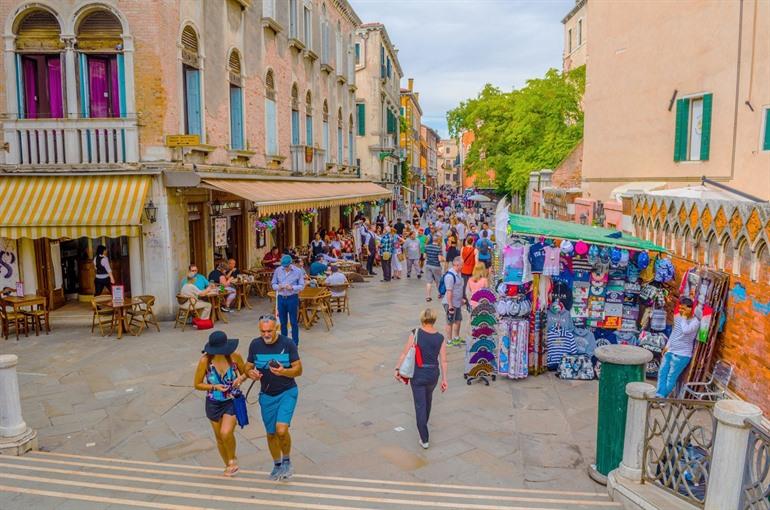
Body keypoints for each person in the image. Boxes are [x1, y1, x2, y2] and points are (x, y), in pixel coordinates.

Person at [245, 315, 303, 481]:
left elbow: (299, 370)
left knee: (281, 430)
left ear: (276, 328)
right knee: (271, 434)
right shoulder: (255, 344)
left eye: (269, 330)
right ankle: (277, 464)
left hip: (287, 392)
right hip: (266, 395)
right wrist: (251, 373)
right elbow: (247, 366)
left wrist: (284, 371)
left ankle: (287, 461)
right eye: (263, 331)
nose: (266, 334)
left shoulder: (288, 343)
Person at [194, 330, 249, 476]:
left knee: (226, 433)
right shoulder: (205, 361)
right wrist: (214, 386)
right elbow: (197, 384)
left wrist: (240, 379)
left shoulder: (234, 357)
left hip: (231, 400)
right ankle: (228, 464)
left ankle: (232, 460)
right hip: (213, 402)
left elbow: (246, 372)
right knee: (219, 437)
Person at [394, 308, 448, 449]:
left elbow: (405, 353)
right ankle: (424, 424)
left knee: (420, 404)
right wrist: (444, 379)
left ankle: (424, 438)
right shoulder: (440, 337)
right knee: (428, 399)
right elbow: (443, 361)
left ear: (422, 319)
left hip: (418, 373)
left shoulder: (416, 333)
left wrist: (397, 369)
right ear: (434, 320)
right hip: (433, 374)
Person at [656, 298, 701, 398]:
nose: (681, 310)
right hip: (670, 351)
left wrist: (684, 317)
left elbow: (686, 330)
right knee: (662, 373)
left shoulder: (695, 322)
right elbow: (674, 332)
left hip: (682, 355)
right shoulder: (678, 317)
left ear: (691, 309)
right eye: (680, 308)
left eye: (684, 309)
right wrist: (667, 346)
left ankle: (662, 397)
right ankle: (659, 395)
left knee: (671, 378)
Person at [271, 255, 305, 347]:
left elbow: (302, 285)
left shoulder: (298, 271)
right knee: (283, 322)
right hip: (281, 298)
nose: (285, 268)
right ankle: (284, 343)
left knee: (294, 322)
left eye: (286, 266)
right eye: (284, 266)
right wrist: (279, 287)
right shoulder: (278, 270)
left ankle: (295, 343)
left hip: (292, 298)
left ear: (291, 263)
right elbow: (273, 284)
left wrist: (292, 287)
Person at [442, 256, 465, 346]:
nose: (463, 266)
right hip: (450, 303)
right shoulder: (450, 276)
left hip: (457, 302)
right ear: (456, 264)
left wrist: (461, 299)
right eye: (462, 265)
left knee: (458, 320)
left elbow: (458, 288)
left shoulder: (458, 273)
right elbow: (449, 292)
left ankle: (456, 338)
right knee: (450, 322)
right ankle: (449, 340)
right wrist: (450, 306)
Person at [423, 236, 444, 302]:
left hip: (428, 265)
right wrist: (443, 259)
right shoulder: (438, 248)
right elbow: (439, 259)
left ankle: (428, 296)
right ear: (437, 240)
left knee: (429, 282)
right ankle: (440, 294)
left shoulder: (427, 247)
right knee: (438, 281)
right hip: (436, 266)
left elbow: (424, 256)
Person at [460, 237, 477, 301]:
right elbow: (476, 261)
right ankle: (470, 296)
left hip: (464, 269)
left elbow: (461, 259)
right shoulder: (475, 250)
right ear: (473, 242)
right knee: (471, 283)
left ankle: (464, 297)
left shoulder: (462, 248)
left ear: (466, 241)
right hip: (471, 269)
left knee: (464, 284)